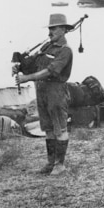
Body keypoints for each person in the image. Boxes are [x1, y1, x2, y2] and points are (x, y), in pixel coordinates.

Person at [15, 13, 74, 175]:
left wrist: (26, 78)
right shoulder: (45, 48)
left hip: (56, 92)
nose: (50, 32)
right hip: (41, 91)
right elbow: (33, 65)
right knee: (48, 128)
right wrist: (20, 67)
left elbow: (50, 71)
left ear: (63, 29)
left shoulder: (65, 51)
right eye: (49, 28)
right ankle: (50, 163)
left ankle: (60, 165)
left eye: (53, 28)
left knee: (60, 128)